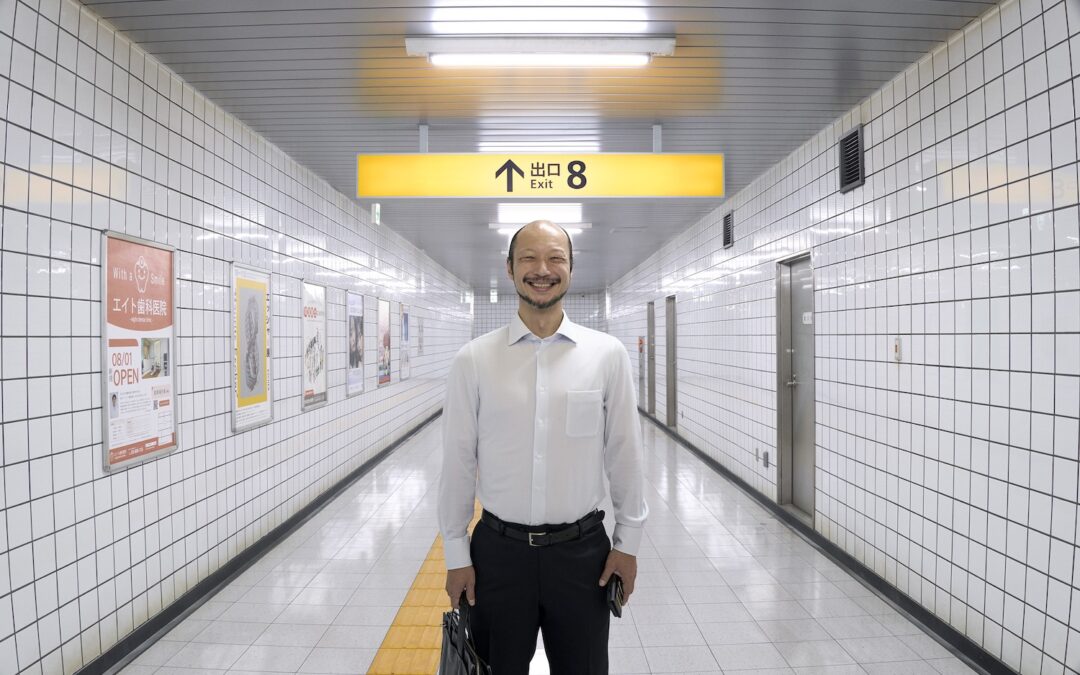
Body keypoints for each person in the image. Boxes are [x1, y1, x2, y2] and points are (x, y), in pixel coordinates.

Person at [439, 220, 648, 674]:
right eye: (529, 258)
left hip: (582, 557)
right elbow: (456, 463)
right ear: (510, 268)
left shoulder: (606, 355)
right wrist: (457, 554)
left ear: (571, 268)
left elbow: (625, 455)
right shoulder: (474, 360)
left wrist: (627, 543)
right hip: (498, 554)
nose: (542, 269)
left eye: (555, 258)